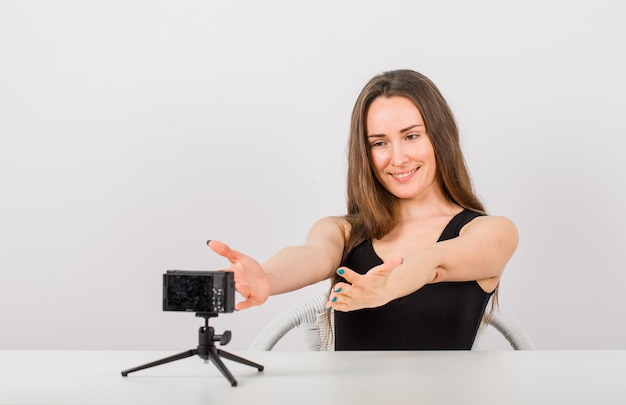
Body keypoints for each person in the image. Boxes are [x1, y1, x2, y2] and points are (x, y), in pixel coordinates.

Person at [207, 69, 518, 350]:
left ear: (440, 137)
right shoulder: (343, 231)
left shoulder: (491, 232)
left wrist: (390, 285)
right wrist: (267, 277)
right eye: (379, 143)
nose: (397, 159)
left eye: (411, 136)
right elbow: (313, 255)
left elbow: (435, 261)